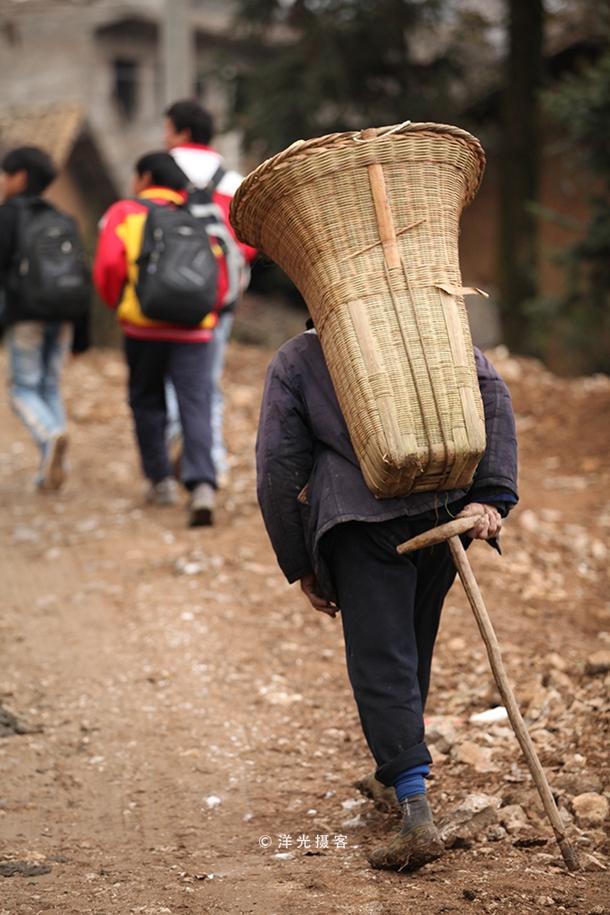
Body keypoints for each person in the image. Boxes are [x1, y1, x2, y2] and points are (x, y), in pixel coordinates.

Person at [256, 325, 518, 872]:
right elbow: (491, 392)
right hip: (443, 509)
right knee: (411, 644)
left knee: (382, 657)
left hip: (361, 522)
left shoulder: (300, 355)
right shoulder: (433, 326)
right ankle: (397, 769)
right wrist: (489, 495)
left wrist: (302, 563)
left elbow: (279, 465)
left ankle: (414, 805)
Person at [93, 151, 228, 527]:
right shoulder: (195, 215)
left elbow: (108, 265)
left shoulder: (125, 212)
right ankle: (202, 485)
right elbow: (219, 274)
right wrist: (208, 313)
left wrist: (120, 304)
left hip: (143, 326)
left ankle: (160, 481)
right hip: (195, 328)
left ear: (145, 176)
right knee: (195, 402)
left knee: (147, 399)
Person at [164, 99, 257, 484]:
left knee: (173, 376)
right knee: (208, 378)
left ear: (181, 132)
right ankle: (212, 458)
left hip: (169, 295)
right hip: (220, 297)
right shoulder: (232, 181)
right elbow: (250, 241)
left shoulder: (160, 172)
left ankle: (178, 439)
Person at [0, 147, 74, 490]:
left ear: (20, 177)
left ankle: (50, 437)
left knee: (22, 388)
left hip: (25, 314)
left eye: (5, 173)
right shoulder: (62, 218)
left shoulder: (8, 215)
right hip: (64, 315)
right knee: (48, 385)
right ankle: (52, 468)